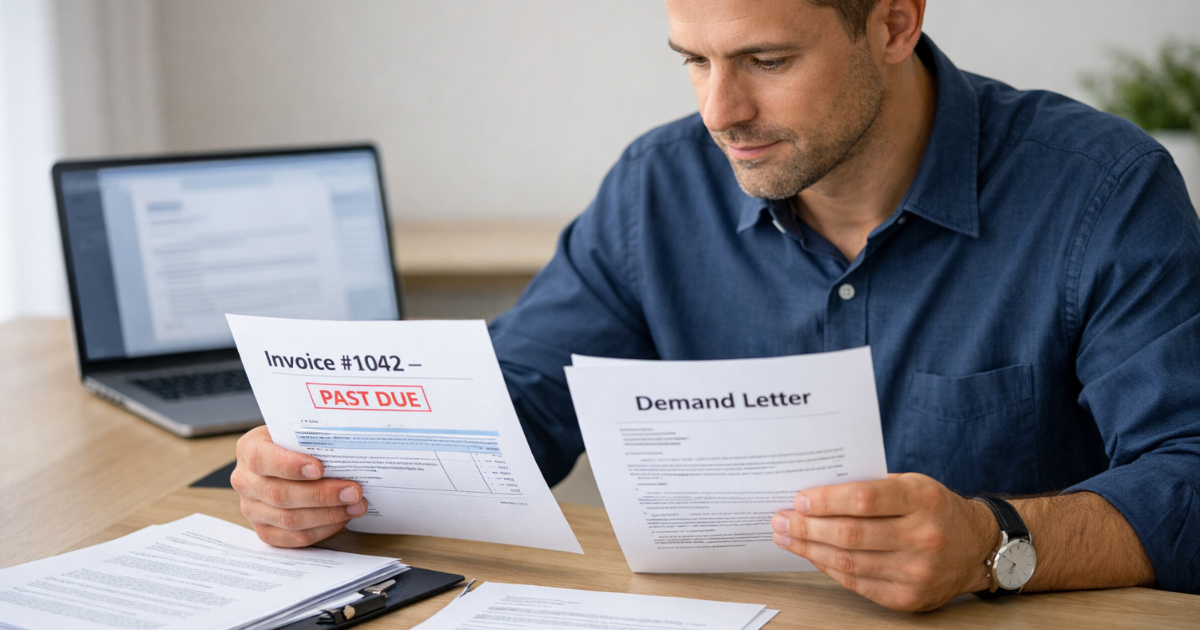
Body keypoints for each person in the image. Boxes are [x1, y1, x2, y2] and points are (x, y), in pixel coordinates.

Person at [230, 0, 1200, 611]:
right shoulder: (661, 185)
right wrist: (323, 471)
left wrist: (995, 544)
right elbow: (518, 404)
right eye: (691, 58)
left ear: (894, 23)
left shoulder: (1101, 191)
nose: (718, 110)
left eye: (766, 60)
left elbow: (1191, 475)